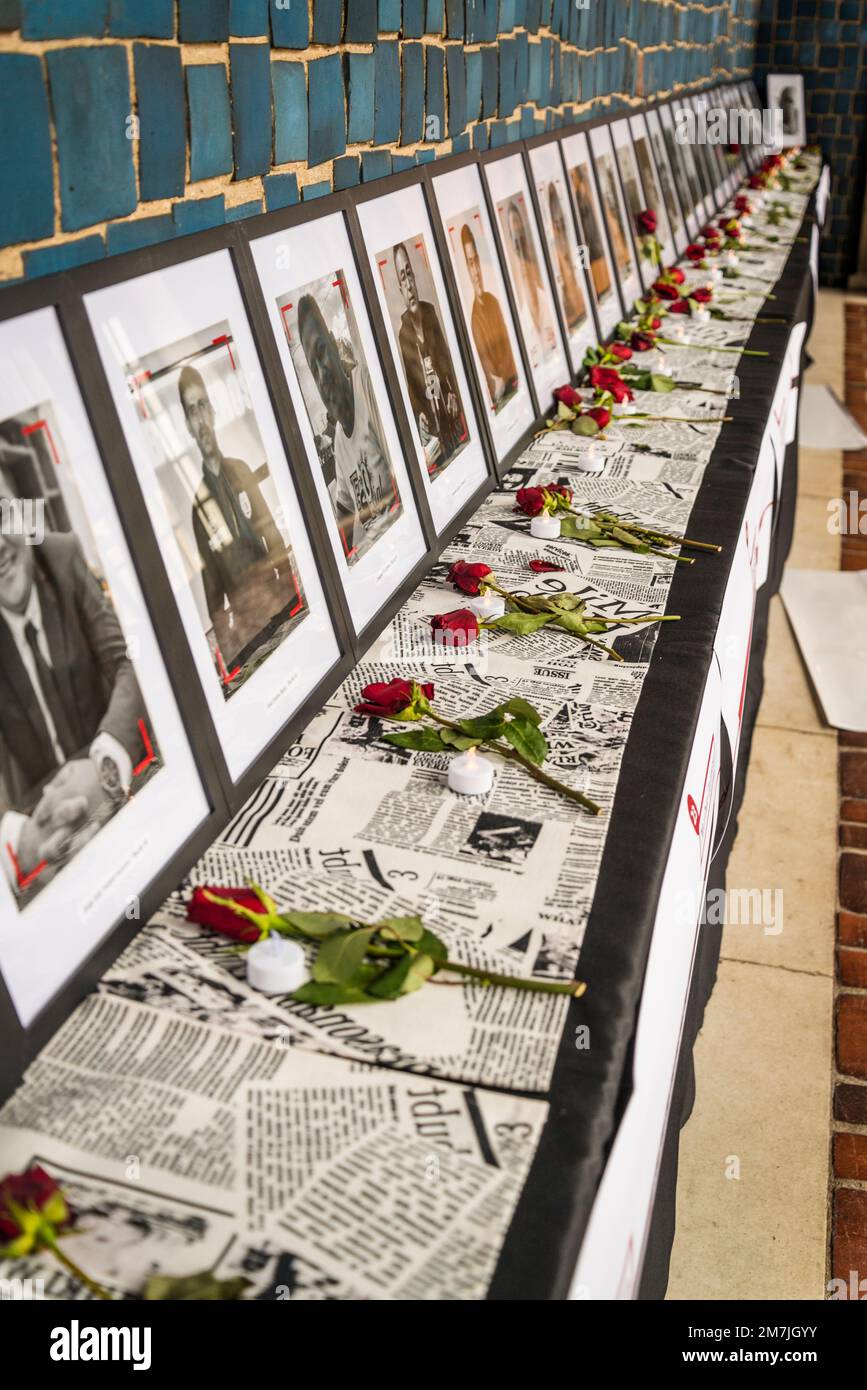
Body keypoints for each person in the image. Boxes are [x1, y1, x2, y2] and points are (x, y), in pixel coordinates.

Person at [0, 529, 148, 895]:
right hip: (43, 823)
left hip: (117, 780)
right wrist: (19, 838)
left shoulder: (62, 555)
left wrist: (105, 766)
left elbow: (128, 661)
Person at [179, 364, 303, 670]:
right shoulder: (199, 508)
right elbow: (213, 599)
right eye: (192, 411)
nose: (201, 418)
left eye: (203, 405)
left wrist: (291, 600)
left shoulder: (241, 471)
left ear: (213, 411)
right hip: (247, 631)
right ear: (188, 426)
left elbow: (272, 535)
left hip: (279, 604)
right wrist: (234, 655)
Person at [297, 294, 400, 562]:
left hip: (403, 548)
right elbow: (343, 513)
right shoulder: (340, 441)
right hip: (380, 560)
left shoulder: (367, 386)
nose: (321, 371)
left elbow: (406, 484)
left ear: (334, 344)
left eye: (322, 352)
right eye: (312, 365)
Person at [392, 242, 465, 474]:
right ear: (400, 288)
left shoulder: (431, 313)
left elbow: (448, 363)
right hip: (435, 441)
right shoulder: (404, 335)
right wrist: (421, 418)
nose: (409, 285)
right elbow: (413, 392)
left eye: (410, 275)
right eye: (402, 279)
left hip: (454, 424)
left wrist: (454, 393)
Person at [460, 222, 518, 407]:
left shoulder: (494, 302)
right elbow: (492, 374)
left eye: (476, 260)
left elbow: (510, 353)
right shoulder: (473, 321)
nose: (476, 271)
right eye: (470, 263)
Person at [505, 199, 555, 363]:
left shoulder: (549, 297)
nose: (520, 246)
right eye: (515, 239)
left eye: (521, 236)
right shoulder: (515, 316)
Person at [548, 182, 586, 333]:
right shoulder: (553, 262)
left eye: (562, 223)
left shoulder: (579, 246)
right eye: (556, 224)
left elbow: (587, 278)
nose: (559, 229)